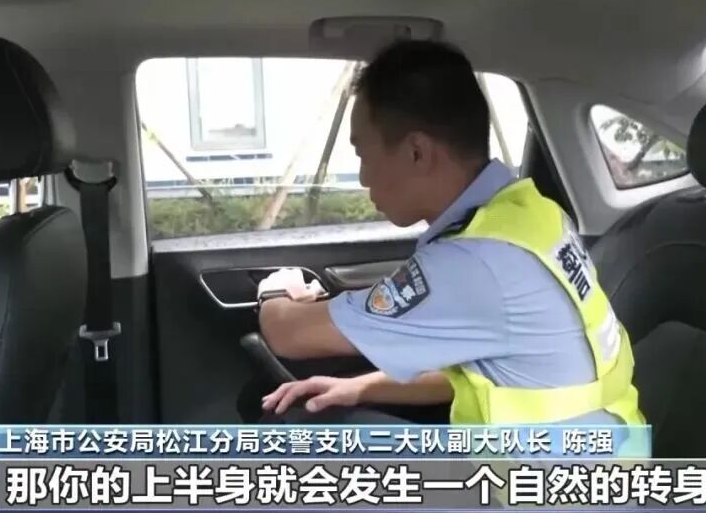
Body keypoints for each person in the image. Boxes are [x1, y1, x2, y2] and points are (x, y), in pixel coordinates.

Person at [255, 40, 645, 430]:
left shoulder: (473, 262)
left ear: (416, 152)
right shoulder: (532, 217)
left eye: (363, 155)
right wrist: (359, 388)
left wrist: (275, 288)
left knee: (294, 430)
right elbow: (485, 372)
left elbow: (288, 334)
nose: (362, 177)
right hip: (601, 452)